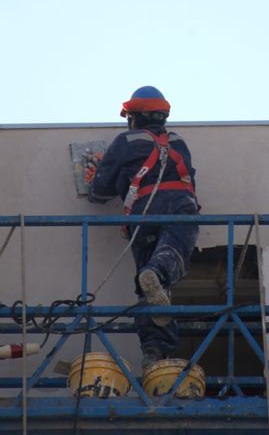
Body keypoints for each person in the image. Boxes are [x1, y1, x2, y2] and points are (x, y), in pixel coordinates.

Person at [86, 86, 199, 369]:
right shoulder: (179, 142)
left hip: (144, 211)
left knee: (148, 285)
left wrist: (95, 176)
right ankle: (156, 274)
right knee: (171, 255)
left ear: (133, 117)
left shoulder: (125, 141)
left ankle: (153, 348)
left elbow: (100, 190)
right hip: (181, 205)